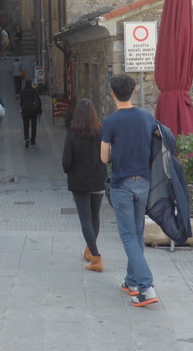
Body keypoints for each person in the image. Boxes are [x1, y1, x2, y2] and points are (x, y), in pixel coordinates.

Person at [101, 74, 160, 307]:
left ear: (112, 94)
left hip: (122, 184)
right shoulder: (147, 117)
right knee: (136, 234)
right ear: (133, 91)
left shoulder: (111, 122)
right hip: (143, 182)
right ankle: (131, 281)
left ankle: (146, 287)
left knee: (127, 236)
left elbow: (104, 157)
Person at [62, 98, 106, 273]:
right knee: (95, 216)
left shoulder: (72, 135)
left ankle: (96, 257)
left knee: (85, 218)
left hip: (80, 181)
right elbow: (107, 156)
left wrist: (70, 171)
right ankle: (89, 249)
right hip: (98, 179)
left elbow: (66, 162)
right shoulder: (102, 133)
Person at [19, 80, 42, 148]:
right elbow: (38, 101)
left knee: (26, 125)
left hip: (25, 110)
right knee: (33, 125)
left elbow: (21, 102)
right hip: (33, 110)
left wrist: (23, 107)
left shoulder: (22, 92)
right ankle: (33, 140)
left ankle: (27, 138)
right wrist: (40, 111)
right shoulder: (34, 91)